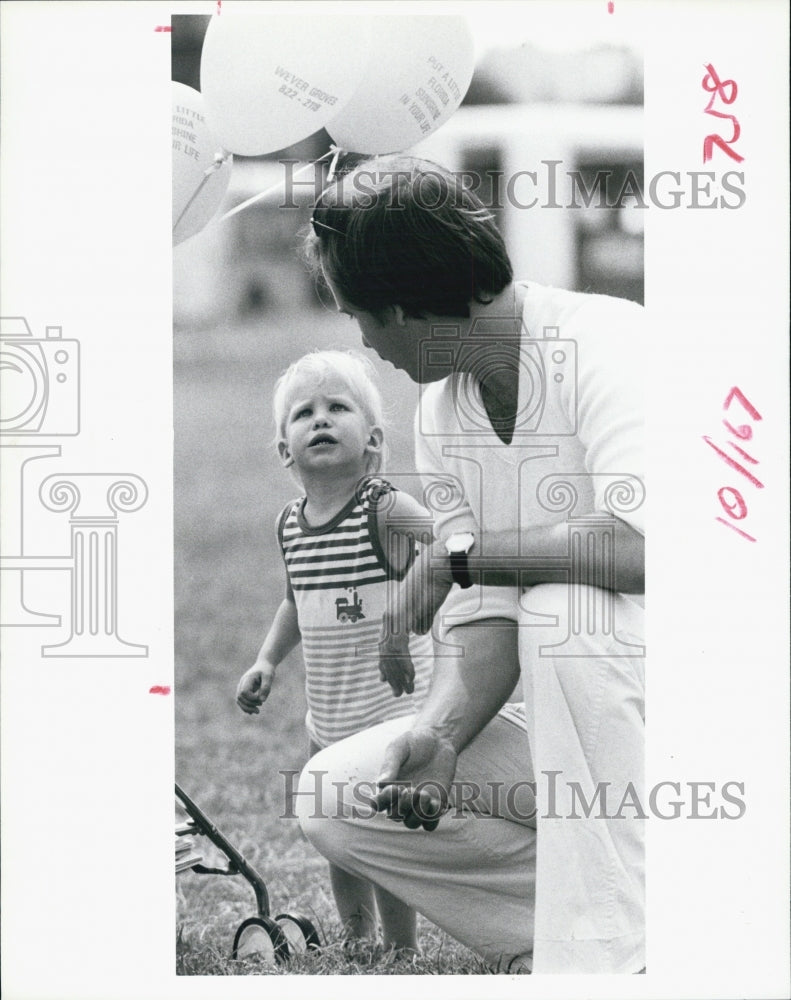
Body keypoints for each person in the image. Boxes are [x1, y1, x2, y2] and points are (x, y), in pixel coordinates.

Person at [294, 157, 646, 973]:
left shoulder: (607, 342)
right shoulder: (441, 408)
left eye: (361, 318)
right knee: (334, 797)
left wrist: (461, 556)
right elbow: (484, 621)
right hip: (591, 734)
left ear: (405, 304)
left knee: (565, 613)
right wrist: (442, 733)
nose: (363, 342)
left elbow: (639, 549)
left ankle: (603, 962)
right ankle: (602, 929)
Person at [235, 350, 435, 954]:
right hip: (328, 718)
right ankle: (356, 937)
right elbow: (296, 602)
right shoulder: (289, 525)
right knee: (337, 834)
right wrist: (267, 660)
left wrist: (401, 627)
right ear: (284, 449)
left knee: (385, 834)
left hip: (391, 714)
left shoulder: (384, 509)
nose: (320, 419)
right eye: (304, 413)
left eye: (337, 407)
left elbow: (446, 555)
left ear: (372, 440)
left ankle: (401, 948)